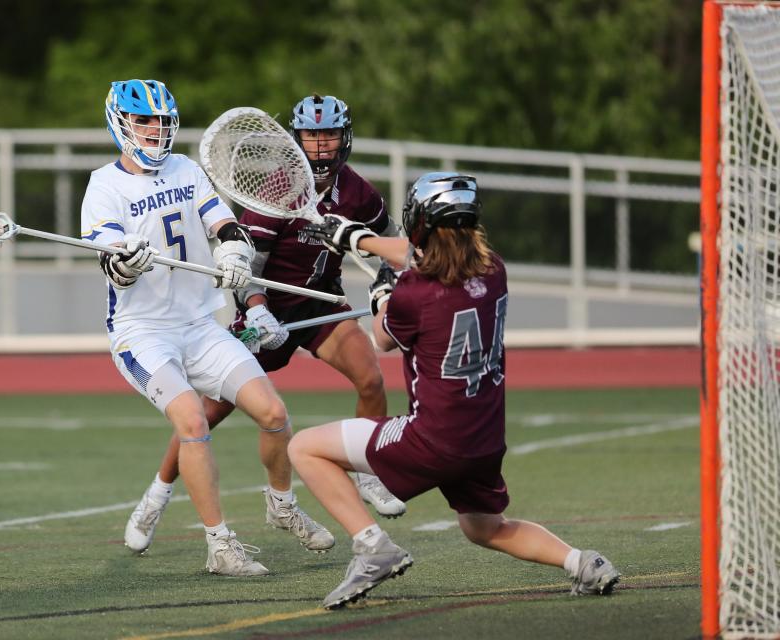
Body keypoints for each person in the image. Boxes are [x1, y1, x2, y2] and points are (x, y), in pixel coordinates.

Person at [289, 172, 622, 608]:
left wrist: (381, 296)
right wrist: (358, 239)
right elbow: (417, 259)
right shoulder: (494, 270)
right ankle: (582, 562)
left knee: (305, 448)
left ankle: (373, 546)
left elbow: (382, 337)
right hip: (483, 438)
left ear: (422, 223)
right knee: (483, 528)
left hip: (432, 438)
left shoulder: (415, 294)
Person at [124, 94, 406, 556]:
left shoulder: (358, 193)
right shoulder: (276, 190)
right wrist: (256, 309)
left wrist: (387, 282)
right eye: (312, 136)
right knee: (206, 414)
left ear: (344, 137)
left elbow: (386, 241)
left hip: (321, 310)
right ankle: (155, 496)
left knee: (371, 378)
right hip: (267, 311)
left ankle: (366, 474)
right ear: (297, 140)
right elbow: (246, 265)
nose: (320, 146)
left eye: (329, 134)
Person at [81, 79, 333, 577]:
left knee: (273, 412)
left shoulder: (187, 169)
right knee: (192, 421)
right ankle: (220, 545)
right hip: (143, 332)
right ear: (120, 123)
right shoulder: (104, 185)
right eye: (144, 121)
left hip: (198, 323)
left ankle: (281, 505)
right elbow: (110, 266)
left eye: (162, 122)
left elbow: (221, 222)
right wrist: (127, 262)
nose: (155, 131)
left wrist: (234, 252)